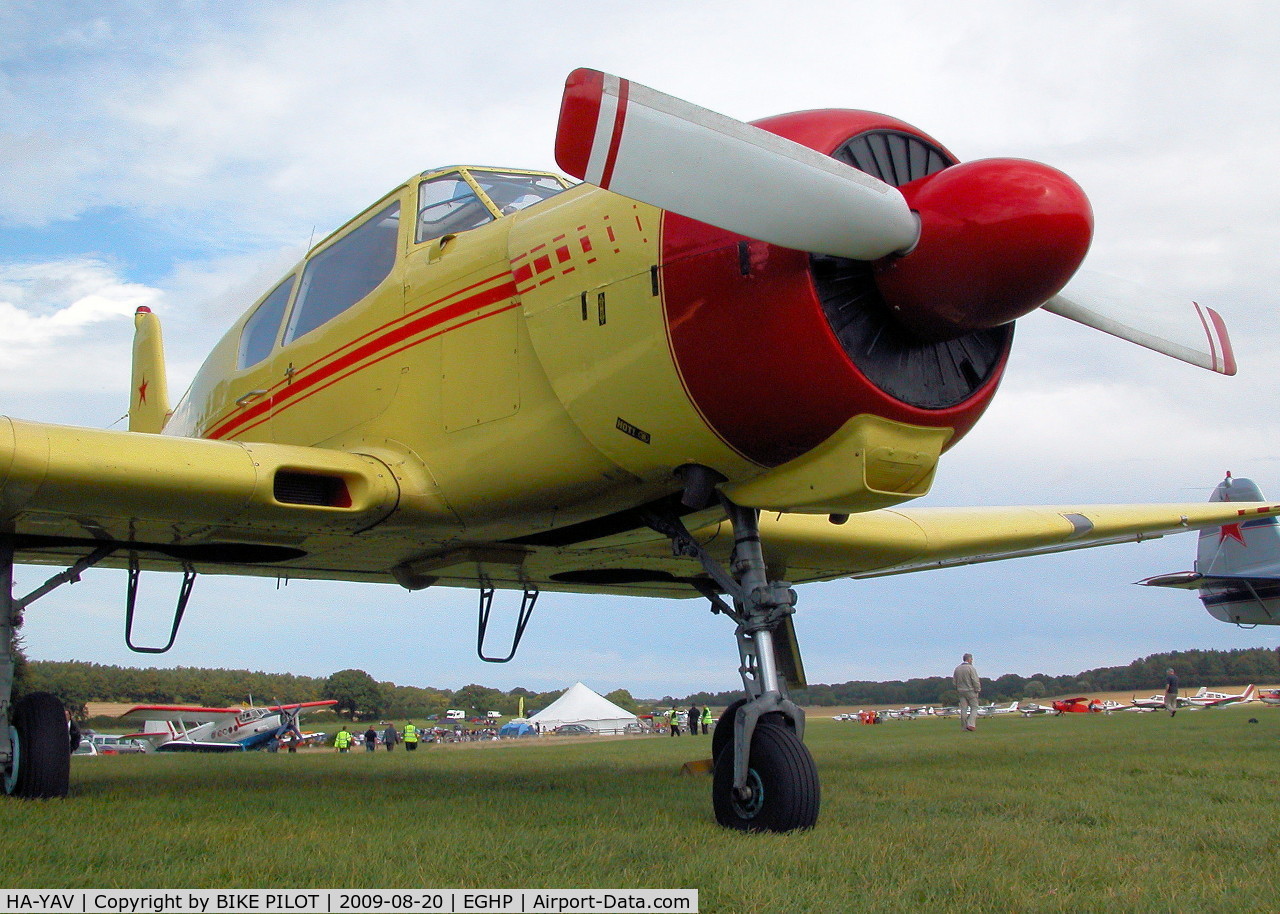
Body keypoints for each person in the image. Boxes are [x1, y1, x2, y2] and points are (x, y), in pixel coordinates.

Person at [953, 653, 981, 732]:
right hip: (970, 690)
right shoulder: (971, 668)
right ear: (969, 659)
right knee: (974, 707)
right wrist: (977, 689)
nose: (972, 660)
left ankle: (964, 727)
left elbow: (954, 682)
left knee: (963, 709)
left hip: (960, 691)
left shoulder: (957, 669)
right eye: (971, 659)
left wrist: (958, 689)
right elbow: (975, 680)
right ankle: (971, 724)